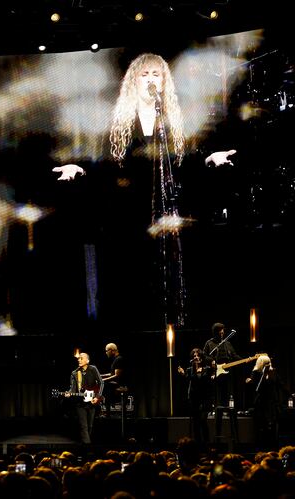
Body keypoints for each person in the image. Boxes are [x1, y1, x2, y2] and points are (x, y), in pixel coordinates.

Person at [52, 53, 236, 329]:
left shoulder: (175, 122)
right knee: (134, 284)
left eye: (156, 75)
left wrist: (210, 159)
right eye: (145, 75)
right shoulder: (117, 125)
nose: (151, 80)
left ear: (164, 81)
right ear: (133, 81)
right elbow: (101, 163)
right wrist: (79, 169)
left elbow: (188, 161)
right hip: (130, 217)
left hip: (169, 215)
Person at [245, 355, 284, 446]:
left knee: (272, 425)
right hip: (260, 402)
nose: (268, 365)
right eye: (266, 363)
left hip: (271, 402)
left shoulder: (273, 372)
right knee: (261, 425)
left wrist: (290, 394)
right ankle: (261, 444)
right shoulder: (255, 372)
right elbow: (256, 387)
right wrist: (250, 382)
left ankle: (272, 444)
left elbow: (280, 384)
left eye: (268, 363)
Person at [65, 352, 104, 444]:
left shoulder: (93, 369)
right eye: (78, 359)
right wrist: (69, 393)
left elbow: (101, 383)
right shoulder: (75, 373)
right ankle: (87, 446)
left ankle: (85, 444)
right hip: (80, 403)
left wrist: (98, 397)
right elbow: (73, 388)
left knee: (90, 426)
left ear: (87, 360)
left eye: (81, 358)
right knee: (84, 426)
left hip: (92, 402)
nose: (79, 360)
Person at [177, 348, 213, 443]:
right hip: (194, 399)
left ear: (201, 357)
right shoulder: (190, 370)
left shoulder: (207, 369)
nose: (196, 357)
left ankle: (207, 444)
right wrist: (183, 374)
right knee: (196, 423)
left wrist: (201, 374)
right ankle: (198, 445)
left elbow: (207, 382)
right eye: (194, 356)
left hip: (205, 399)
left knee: (203, 421)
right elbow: (189, 380)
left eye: (198, 356)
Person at [203, 322, 241, 408]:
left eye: (223, 331)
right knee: (216, 391)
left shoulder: (227, 343)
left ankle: (227, 409)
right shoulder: (209, 343)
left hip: (227, 370)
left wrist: (244, 360)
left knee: (228, 391)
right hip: (215, 371)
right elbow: (204, 355)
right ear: (215, 332)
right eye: (220, 331)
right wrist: (211, 361)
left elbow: (234, 355)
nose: (222, 333)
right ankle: (216, 409)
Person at [101, 343, 127, 417]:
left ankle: (107, 413)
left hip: (120, 385)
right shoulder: (116, 359)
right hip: (116, 383)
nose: (106, 353)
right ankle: (106, 411)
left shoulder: (119, 359)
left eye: (106, 351)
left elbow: (117, 375)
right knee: (103, 384)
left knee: (104, 385)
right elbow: (112, 373)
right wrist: (100, 376)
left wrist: (103, 380)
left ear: (112, 350)